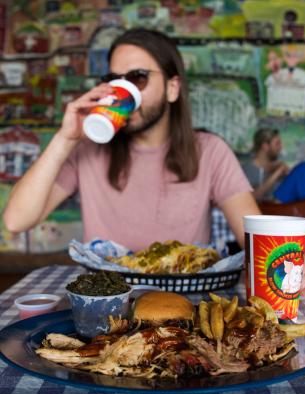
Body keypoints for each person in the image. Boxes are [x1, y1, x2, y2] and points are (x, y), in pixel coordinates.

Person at [0, 29, 260, 253]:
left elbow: (255, 239)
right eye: (115, 81)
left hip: (183, 299)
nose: (125, 90)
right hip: (105, 301)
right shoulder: (88, 149)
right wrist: (64, 139)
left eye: (138, 78)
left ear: (172, 88)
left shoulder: (208, 151)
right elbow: (16, 221)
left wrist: (291, 258)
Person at [242, 128, 289, 201]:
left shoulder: (277, 167)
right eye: (277, 144)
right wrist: (276, 174)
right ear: (265, 146)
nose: (280, 148)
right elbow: (250, 198)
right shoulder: (246, 170)